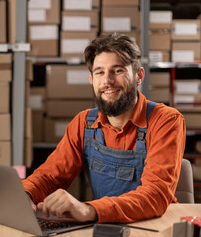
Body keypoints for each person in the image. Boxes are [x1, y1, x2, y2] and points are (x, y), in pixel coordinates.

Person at [22, 33, 186, 223]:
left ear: (139, 76)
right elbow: (50, 176)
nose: (107, 81)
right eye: (99, 72)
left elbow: (154, 195)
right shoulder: (84, 123)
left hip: (154, 225)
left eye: (117, 70)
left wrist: (88, 210)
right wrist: (26, 194)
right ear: (91, 79)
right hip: (105, 224)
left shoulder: (165, 121)